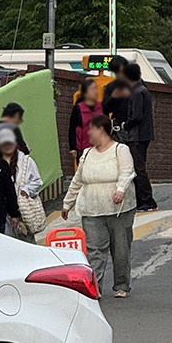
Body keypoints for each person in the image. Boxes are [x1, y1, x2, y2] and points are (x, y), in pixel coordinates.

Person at [61, 113, 135, 297]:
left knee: (120, 249)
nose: (88, 134)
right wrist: (67, 203)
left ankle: (121, 285)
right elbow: (78, 180)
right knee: (94, 250)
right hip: (92, 207)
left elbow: (127, 172)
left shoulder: (120, 149)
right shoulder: (86, 153)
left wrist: (120, 189)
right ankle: (95, 287)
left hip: (118, 209)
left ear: (101, 130)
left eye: (91, 130)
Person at [0, 124, 43, 243]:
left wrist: (26, 190)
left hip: (23, 211)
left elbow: (37, 181)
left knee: (26, 242)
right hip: (3, 211)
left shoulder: (26, 161)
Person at [124, 61, 158, 213]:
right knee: (139, 166)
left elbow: (136, 116)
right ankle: (144, 199)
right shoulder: (142, 89)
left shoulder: (136, 92)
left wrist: (126, 124)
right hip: (143, 134)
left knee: (138, 168)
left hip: (137, 135)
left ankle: (146, 200)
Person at [68, 78, 100, 167]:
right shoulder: (78, 108)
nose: (95, 91)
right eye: (92, 89)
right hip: (83, 148)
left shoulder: (100, 107)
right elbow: (72, 128)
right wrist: (73, 147)